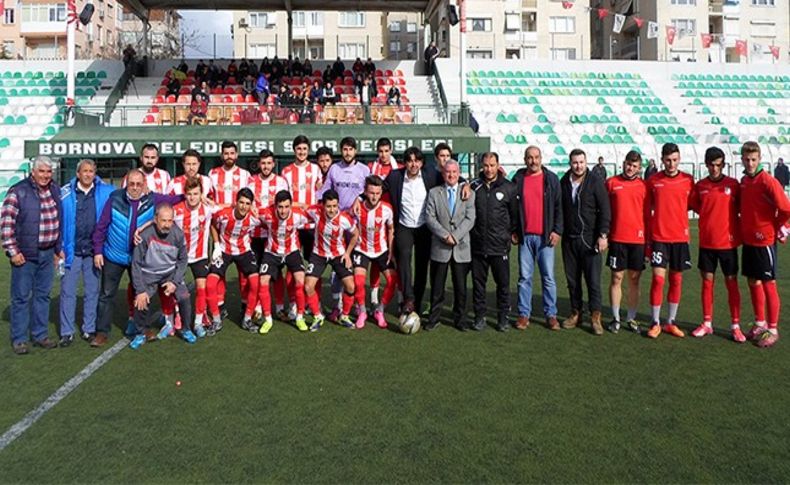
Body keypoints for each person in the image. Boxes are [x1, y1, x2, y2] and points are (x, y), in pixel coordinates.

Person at [90, 169, 182, 347]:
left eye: (138, 184)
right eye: (131, 184)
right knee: (107, 295)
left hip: (139, 257)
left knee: (143, 292)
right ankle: (101, 332)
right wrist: (98, 251)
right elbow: (101, 226)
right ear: (126, 184)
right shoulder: (115, 199)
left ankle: (144, 328)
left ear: (144, 185)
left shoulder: (152, 199)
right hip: (113, 256)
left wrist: (195, 197)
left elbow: (174, 200)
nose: (135, 187)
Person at [2, 157, 63, 354]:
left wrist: (56, 249)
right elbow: (6, 225)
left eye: (48, 172)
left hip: (47, 252)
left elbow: (58, 220)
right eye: (42, 171)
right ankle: (19, 338)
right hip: (25, 254)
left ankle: (40, 335)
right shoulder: (18, 191)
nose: (46, 175)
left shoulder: (54, 189)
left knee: (43, 295)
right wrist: (13, 251)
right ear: (33, 172)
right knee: (20, 297)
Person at [689, 147, 744, 342]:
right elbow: (695, 206)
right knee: (707, 283)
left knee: (731, 283)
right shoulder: (700, 185)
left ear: (723, 165)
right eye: (711, 165)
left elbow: (741, 208)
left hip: (728, 244)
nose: (715, 168)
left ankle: (735, 325)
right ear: (706, 164)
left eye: (718, 165)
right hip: (707, 244)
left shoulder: (733, 185)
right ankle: (707, 323)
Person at [738, 142, 790, 348]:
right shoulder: (744, 181)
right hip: (749, 240)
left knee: (769, 283)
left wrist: (782, 228)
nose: (750, 163)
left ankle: (773, 328)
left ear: (759, 159)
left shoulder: (768, 181)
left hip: (765, 240)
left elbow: (786, 209)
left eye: (753, 160)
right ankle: (760, 323)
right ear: (742, 159)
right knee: (753, 281)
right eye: (747, 159)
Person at [58, 159, 114, 346]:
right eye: (85, 171)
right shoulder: (65, 193)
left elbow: (127, 195)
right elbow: (57, 221)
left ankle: (88, 329)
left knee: (92, 292)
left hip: (93, 251)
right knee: (68, 292)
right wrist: (59, 249)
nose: (88, 174)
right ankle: (67, 332)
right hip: (71, 251)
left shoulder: (105, 191)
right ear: (78, 173)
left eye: (91, 171)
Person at [128, 203, 196, 349]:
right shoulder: (145, 235)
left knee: (184, 296)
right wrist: (140, 290)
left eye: (170, 221)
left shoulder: (178, 235)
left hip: (169, 273)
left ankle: (186, 329)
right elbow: (136, 264)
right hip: (149, 274)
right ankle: (140, 333)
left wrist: (175, 282)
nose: (166, 225)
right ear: (155, 219)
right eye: (163, 220)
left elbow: (183, 260)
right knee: (141, 299)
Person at [645, 143, 695, 339]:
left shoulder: (688, 181)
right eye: (667, 160)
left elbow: (695, 204)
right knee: (658, 280)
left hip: (680, 238)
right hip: (659, 238)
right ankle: (655, 322)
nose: (671, 164)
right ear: (662, 160)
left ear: (679, 159)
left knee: (676, 280)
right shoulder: (654, 181)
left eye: (674, 160)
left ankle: (670, 322)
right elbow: (647, 208)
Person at [385, 147, 443, 316]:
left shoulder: (430, 174)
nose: (413, 164)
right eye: (410, 161)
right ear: (405, 162)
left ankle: (416, 302)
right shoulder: (396, 176)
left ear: (422, 162)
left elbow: (450, 177)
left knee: (421, 265)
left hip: (425, 226)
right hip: (404, 225)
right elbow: (378, 186)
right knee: (403, 258)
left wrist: (465, 184)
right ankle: (408, 298)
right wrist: (359, 199)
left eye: (417, 161)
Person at [559, 149, 611, 335]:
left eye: (581, 162)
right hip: (569, 240)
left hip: (591, 240)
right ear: (570, 163)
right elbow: (560, 209)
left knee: (593, 281)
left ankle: (596, 317)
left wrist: (603, 235)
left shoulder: (595, 182)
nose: (578, 166)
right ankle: (576, 313)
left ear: (586, 162)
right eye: (575, 162)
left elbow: (605, 210)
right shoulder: (564, 182)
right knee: (572, 281)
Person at [512, 146, 562, 330]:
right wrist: (514, 230)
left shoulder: (551, 179)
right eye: (530, 158)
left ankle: (551, 314)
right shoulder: (518, 179)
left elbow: (559, 207)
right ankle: (524, 314)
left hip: (545, 237)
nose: (533, 161)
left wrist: (557, 230)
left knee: (548, 277)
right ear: (525, 159)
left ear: (541, 158)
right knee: (524, 277)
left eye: (536, 157)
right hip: (525, 237)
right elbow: (512, 208)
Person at [424, 160, 476, 331]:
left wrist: (455, 236)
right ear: (443, 173)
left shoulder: (468, 192)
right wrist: (445, 235)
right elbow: (430, 217)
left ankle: (460, 319)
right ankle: (434, 318)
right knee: (437, 287)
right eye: (448, 172)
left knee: (460, 287)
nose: (451, 175)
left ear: (459, 172)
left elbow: (470, 218)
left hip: (461, 247)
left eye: (454, 172)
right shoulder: (434, 193)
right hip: (441, 246)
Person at [469, 152, 517, 332]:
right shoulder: (474, 186)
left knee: (503, 285)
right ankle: (479, 316)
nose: (489, 169)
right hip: (478, 245)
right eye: (486, 165)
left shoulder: (509, 188)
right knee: (478, 285)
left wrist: (511, 234)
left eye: (492, 165)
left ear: (498, 165)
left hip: (499, 246)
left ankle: (503, 317)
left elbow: (514, 215)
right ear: (482, 166)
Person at [205, 188, 262, 334]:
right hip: (224, 251)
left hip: (244, 251)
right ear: (236, 203)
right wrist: (217, 245)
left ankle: (247, 319)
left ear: (251, 205)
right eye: (241, 202)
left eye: (247, 204)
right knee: (210, 283)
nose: (243, 206)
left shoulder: (255, 218)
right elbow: (212, 224)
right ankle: (216, 321)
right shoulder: (223, 215)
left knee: (255, 282)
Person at [604, 150, 647, 334]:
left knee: (634, 279)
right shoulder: (612, 183)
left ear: (640, 168)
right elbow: (604, 211)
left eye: (635, 166)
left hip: (637, 240)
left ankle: (631, 317)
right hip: (617, 239)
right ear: (624, 163)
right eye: (629, 164)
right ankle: (615, 318)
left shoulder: (644, 186)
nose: (631, 168)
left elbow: (648, 214)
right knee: (616, 278)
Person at [303, 190, 358, 329]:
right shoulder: (315, 212)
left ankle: (344, 316)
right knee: (308, 286)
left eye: (334, 206)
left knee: (351, 286)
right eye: (328, 206)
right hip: (318, 254)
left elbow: (355, 234)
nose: (332, 209)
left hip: (338, 255)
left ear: (338, 205)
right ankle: (317, 316)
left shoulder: (345, 219)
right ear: (323, 205)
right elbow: (301, 206)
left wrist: (347, 254)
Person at [257, 191, 311, 332]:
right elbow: (253, 210)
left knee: (300, 280)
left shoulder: (299, 215)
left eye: (287, 207)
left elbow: (316, 215)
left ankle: (299, 317)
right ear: (275, 206)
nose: (283, 210)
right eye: (280, 207)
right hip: (272, 252)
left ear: (291, 206)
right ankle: (267, 319)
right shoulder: (266, 214)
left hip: (292, 251)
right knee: (263, 281)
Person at [247, 149, 289, 320]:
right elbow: (247, 204)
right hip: (256, 234)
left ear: (273, 164)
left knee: (277, 274)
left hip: (275, 234)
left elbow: (284, 206)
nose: (265, 166)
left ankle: (279, 308)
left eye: (269, 163)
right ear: (259, 164)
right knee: (258, 272)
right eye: (263, 163)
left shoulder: (281, 182)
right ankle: (257, 306)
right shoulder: (250, 182)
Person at [171, 177, 216, 337]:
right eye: (189, 194)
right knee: (177, 290)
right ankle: (177, 317)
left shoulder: (208, 208)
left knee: (201, 288)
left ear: (201, 194)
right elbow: (160, 219)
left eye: (196, 194)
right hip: (180, 257)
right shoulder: (176, 210)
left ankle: (197, 322)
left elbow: (228, 209)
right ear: (185, 194)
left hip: (200, 256)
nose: (192, 197)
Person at [352, 176, 397, 329]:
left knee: (392, 281)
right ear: (365, 192)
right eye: (371, 193)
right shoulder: (357, 209)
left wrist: (391, 251)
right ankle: (362, 311)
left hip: (381, 250)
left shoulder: (387, 209)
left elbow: (391, 229)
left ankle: (380, 310)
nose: (374, 196)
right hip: (361, 249)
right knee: (358, 282)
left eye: (377, 193)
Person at [209, 141, 250, 208]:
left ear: (236, 155)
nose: (229, 156)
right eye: (226, 153)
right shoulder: (213, 173)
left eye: (232, 153)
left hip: (237, 216)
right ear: (222, 155)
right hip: (218, 215)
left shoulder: (245, 174)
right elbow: (209, 197)